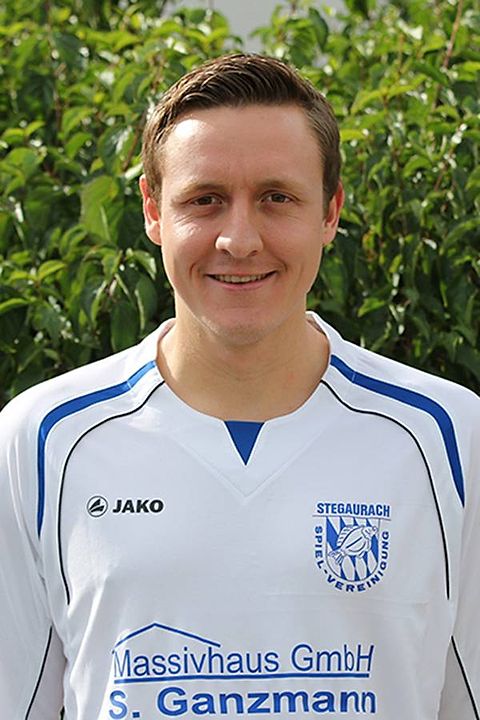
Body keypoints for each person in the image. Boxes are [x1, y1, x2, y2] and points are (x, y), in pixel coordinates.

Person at [0, 53, 478, 720]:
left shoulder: (449, 436)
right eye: (205, 200)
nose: (239, 239)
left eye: (277, 197)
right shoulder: (43, 438)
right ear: (152, 211)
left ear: (330, 212)